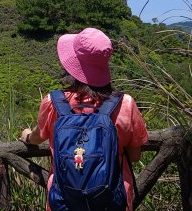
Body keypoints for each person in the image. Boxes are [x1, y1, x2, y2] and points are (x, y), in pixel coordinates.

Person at [20, 27, 148, 211]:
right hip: (112, 200)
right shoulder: (125, 104)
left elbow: (37, 137)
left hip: (65, 200)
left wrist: (26, 136)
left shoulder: (53, 102)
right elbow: (135, 156)